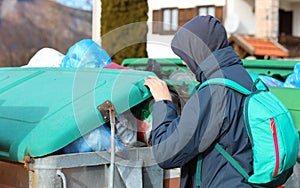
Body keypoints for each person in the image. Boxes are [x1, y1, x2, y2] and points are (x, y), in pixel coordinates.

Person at [144, 15, 254, 187]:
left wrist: (163, 102)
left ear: (197, 52)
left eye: (184, 55)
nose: (183, 61)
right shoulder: (245, 79)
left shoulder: (214, 93)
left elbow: (166, 152)